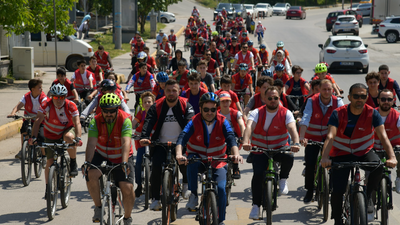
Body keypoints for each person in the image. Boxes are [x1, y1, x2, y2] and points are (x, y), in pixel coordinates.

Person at [320, 83, 397, 225]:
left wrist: (392, 157)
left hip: (363, 151)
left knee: (378, 167)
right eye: (356, 96)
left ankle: (367, 197)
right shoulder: (338, 113)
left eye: (363, 96)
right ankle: (337, 219)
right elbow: (330, 136)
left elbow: (383, 136)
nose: (359, 99)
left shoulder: (373, 113)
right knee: (337, 190)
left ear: (367, 97)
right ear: (349, 97)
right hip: (341, 153)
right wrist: (325, 157)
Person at [175, 92, 243, 225]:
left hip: (218, 160)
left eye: (213, 109)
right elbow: (182, 138)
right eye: (206, 109)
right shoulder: (194, 120)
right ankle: (193, 194)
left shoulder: (223, 121)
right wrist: (179, 154)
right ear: (200, 109)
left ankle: (221, 219)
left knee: (222, 190)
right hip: (198, 158)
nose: (210, 112)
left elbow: (231, 139)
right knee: (191, 162)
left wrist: (236, 154)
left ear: (217, 109)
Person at [242, 86, 300, 219]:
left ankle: (283, 179)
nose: (273, 100)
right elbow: (249, 126)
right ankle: (256, 206)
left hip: (280, 148)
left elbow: (292, 129)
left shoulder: (286, 113)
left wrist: (295, 143)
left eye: (276, 98)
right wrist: (246, 142)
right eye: (270, 98)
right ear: (264, 99)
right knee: (257, 175)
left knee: (289, 156)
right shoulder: (256, 112)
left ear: (279, 98)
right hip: (260, 150)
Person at [140, 79, 194, 210]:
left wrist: (189, 138)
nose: (171, 93)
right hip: (161, 143)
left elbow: (190, 123)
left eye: (174, 90)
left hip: (180, 143)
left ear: (179, 91)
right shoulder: (156, 106)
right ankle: (155, 199)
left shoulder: (186, 105)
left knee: (185, 163)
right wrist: (145, 137)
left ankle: (186, 184)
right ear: (164, 91)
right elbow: (148, 122)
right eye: (168, 90)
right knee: (156, 167)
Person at [83, 93, 135, 225]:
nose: (109, 114)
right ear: (101, 110)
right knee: (90, 174)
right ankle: (99, 207)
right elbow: (91, 144)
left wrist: (124, 163)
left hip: (121, 155)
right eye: (105, 111)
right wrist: (87, 162)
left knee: (127, 188)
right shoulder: (95, 121)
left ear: (118, 109)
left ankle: (127, 218)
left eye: (112, 111)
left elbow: (126, 143)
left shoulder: (125, 120)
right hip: (102, 154)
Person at [29, 84, 82, 197]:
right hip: (51, 133)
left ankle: (73, 162)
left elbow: (77, 122)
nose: (58, 100)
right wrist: (33, 137)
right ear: (52, 97)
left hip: (67, 129)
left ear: (65, 97)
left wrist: (78, 138)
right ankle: (48, 188)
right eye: (56, 97)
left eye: (61, 97)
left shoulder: (70, 105)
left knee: (68, 138)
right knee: (50, 162)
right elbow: (38, 121)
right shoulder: (46, 104)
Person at [298, 79, 344, 203]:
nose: (327, 92)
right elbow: (306, 117)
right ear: (319, 90)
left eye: (329, 89)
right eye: (324, 89)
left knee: (336, 164)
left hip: (331, 138)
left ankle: (334, 188)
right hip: (313, 138)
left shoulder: (338, 101)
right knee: (310, 164)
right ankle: (309, 190)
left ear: (333, 90)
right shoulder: (311, 101)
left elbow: (343, 119)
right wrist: (302, 136)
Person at [8, 79, 47, 159]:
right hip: (29, 119)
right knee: (24, 131)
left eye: (41, 87)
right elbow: (18, 106)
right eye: (39, 87)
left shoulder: (43, 97)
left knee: (41, 137)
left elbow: (45, 106)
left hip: (40, 120)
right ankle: (23, 149)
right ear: (32, 89)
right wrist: (13, 113)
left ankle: (44, 155)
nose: (41, 89)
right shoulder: (26, 96)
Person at [374, 89, 400, 194]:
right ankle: (370, 204)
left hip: (394, 149)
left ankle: (398, 179)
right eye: (383, 99)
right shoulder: (371, 114)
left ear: (393, 101)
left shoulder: (397, 116)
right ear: (378, 100)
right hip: (374, 148)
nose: (386, 101)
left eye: (389, 99)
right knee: (370, 175)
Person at [132, 91, 155, 197]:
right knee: (138, 163)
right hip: (141, 140)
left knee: (155, 163)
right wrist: (129, 129)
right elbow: (133, 123)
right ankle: (139, 185)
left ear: (153, 102)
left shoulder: (156, 113)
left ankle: (155, 185)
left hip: (153, 140)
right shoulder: (141, 113)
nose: (147, 104)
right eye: (145, 102)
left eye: (149, 102)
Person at [218, 91, 245, 179]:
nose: (225, 103)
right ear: (219, 102)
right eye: (223, 101)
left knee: (234, 146)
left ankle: (236, 168)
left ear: (230, 102)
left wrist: (243, 137)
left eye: (227, 101)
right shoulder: (216, 113)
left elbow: (241, 124)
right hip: (221, 135)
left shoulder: (235, 113)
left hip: (234, 135)